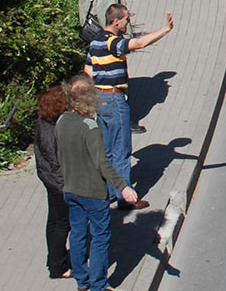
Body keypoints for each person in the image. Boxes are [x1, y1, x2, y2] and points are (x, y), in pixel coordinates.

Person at [57, 76, 143, 291]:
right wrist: (123, 186)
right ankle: (99, 285)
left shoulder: (61, 122)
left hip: (70, 189)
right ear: (89, 100)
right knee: (100, 238)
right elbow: (102, 163)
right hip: (93, 193)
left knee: (77, 234)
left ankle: (82, 280)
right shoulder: (90, 127)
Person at [86, 4, 174, 203]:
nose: (128, 23)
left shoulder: (95, 41)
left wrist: (102, 81)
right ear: (116, 21)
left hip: (99, 98)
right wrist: (165, 29)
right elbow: (140, 44)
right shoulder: (113, 43)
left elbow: (88, 70)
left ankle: (108, 193)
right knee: (122, 151)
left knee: (106, 150)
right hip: (115, 99)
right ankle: (126, 197)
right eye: (126, 19)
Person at [34, 83, 72, 280]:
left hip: (48, 179)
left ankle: (54, 259)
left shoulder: (43, 121)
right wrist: (66, 187)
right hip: (57, 184)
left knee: (53, 222)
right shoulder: (50, 131)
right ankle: (58, 267)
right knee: (62, 225)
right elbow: (56, 164)